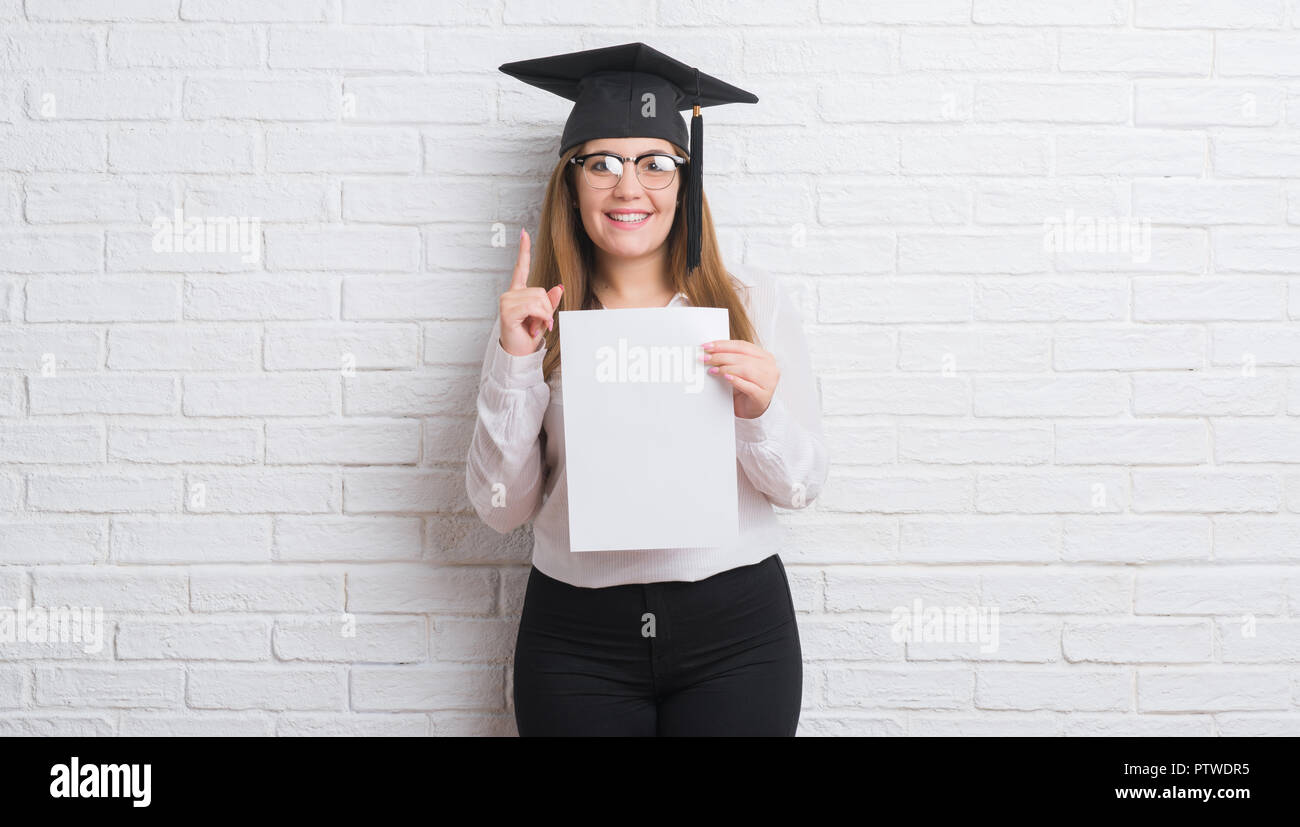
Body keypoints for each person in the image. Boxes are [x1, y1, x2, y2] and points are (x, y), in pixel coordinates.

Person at [465, 42, 829, 736]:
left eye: (655, 163)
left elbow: (804, 485)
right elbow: (500, 510)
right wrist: (516, 364)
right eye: (600, 163)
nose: (628, 187)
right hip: (577, 639)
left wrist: (759, 413)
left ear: (685, 181)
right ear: (570, 183)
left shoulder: (752, 302)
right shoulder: (537, 317)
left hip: (737, 635)